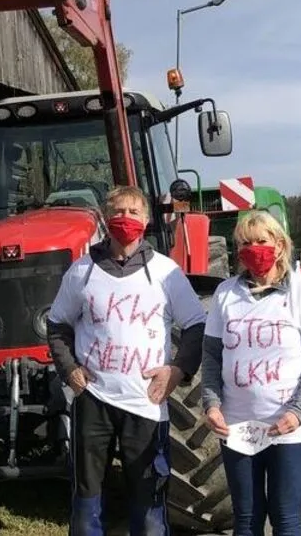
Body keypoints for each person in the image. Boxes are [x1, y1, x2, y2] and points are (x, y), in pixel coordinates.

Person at [46, 185, 207, 536]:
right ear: (106, 219)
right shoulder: (81, 271)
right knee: (86, 501)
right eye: (118, 212)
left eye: (134, 212)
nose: (126, 219)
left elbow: (196, 324)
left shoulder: (166, 272)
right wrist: (69, 369)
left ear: (146, 220)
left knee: (148, 505)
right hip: (94, 400)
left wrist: (178, 370)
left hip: (146, 404)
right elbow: (57, 325)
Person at [200, 210, 301, 536]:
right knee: (246, 519)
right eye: (245, 243)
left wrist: (298, 412)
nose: (254, 249)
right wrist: (211, 404)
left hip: (289, 430)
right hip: (238, 429)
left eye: (261, 241)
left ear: (279, 244)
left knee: (285, 518)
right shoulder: (225, 294)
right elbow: (212, 356)